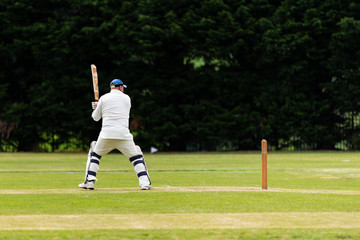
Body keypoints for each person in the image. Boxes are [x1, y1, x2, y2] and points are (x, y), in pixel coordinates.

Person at [78, 79, 152, 190]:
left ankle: (89, 181)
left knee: (95, 154)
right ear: (121, 87)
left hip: (106, 135)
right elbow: (117, 108)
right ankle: (145, 183)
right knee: (136, 156)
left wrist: (97, 107)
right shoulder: (127, 98)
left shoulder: (103, 98)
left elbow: (95, 117)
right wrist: (100, 106)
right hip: (123, 135)